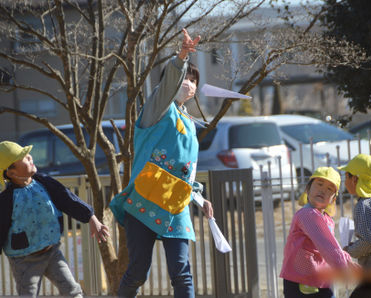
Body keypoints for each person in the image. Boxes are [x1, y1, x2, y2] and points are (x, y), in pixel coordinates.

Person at [109, 28, 213, 298]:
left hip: (175, 203)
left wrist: (199, 197)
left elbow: (185, 169)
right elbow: (168, 85)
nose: (188, 83)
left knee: (181, 271)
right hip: (145, 199)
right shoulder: (157, 108)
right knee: (138, 271)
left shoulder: (189, 123)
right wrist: (182, 57)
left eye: (193, 80)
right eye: (185, 77)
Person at [0, 141, 110, 297]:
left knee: (72, 290)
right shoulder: (6, 200)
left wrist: (92, 218)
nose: (30, 157)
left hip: (51, 252)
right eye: (23, 157)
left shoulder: (45, 183)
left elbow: (68, 199)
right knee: (28, 294)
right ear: (12, 173)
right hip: (24, 259)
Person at [280, 167, 359, 298]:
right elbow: (328, 247)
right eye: (319, 184)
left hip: (316, 281)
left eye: (330, 189)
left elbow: (333, 246)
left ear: (333, 199)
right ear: (307, 189)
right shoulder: (307, 214)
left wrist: (348, 263)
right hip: (302, 282)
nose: (323, 190)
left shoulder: (327, 219)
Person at [339, 153, 371, 297]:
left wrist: (349, 250)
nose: (345, 182)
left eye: (346, 176)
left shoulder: (364, 205)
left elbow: (368, 241)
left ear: (355, 179)